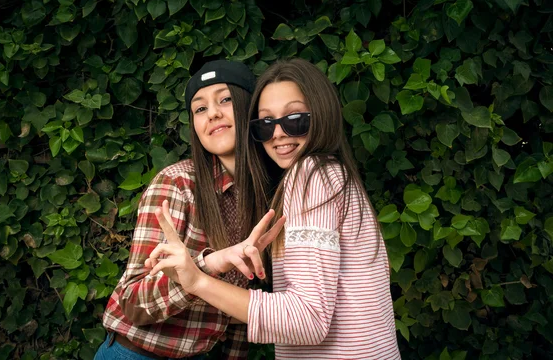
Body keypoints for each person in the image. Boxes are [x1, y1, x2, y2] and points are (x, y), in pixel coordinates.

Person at [147, 58, 401, 359]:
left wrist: (198, 280)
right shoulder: (334, 175)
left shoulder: (310, 175)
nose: (279, 133)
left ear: (321, 114)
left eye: (295, 118)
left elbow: (308, 320)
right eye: (266, 123)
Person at [96, 60, 284, 360]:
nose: (213, 113)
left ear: (251, 110)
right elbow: (133, 301)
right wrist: (208, 265)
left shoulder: (268, 195)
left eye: (224, 99)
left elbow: (237, 312)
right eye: (200, 108)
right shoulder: (176, 184)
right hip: (137, 353)